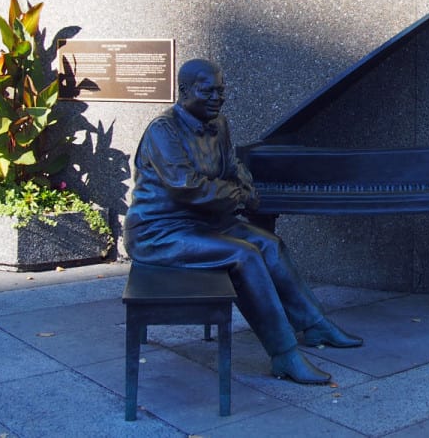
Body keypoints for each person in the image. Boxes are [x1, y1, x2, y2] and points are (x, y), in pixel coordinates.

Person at [124, 58, 362, 384]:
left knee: (270, 244)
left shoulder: (218, 123)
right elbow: (189, 187)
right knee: (244, 254)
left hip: (207, 221)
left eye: (221, 91)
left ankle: (314, 324)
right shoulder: (163, 131)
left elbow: (234, 166)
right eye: (208, 91)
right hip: (160, 231)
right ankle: (284, 354)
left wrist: (246, 187)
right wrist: (238, 195)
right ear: (183, 91)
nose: (216, 98)